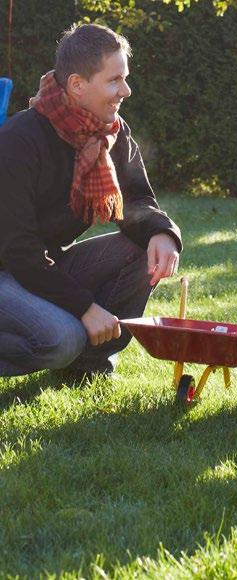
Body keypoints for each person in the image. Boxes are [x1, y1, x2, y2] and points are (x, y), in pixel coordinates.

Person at [0, 23, 182, 381]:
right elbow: (17, 248)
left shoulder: (109, 131)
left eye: (125, 78)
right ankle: (73, 353)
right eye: (114, 80)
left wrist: (162, 233)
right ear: (77, 86)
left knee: (140, 248)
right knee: (62, 338)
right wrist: (84, 308)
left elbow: (137, 201)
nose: (126, 91)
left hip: (40, 267)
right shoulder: (19, 141)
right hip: (8, 266)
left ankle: (87, 366)